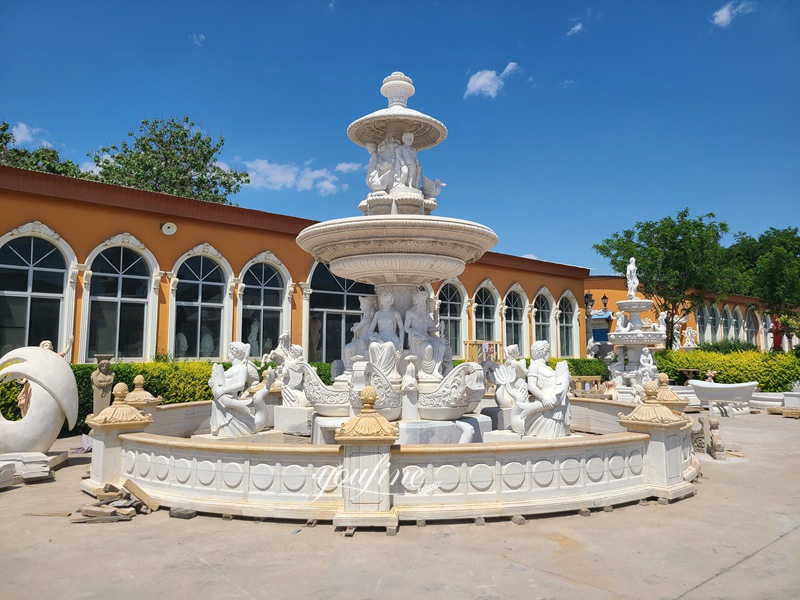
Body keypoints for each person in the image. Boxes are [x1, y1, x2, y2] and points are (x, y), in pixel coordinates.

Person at [208, 341, 259, 436]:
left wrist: (223, 390)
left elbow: (240, 385)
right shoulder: (231, 369)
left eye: (230, 352)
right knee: (214, 403)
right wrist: (212, 383)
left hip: (230, 400)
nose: (228, 355)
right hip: (221, 399)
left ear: (237, 354)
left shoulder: (242, 368)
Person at [404, 290, 447, 377]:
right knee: (428, 347)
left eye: (424, 301)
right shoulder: (410, 312)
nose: (423, 303)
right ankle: (426, 372)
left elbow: (429, 328)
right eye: (421, 301)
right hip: (417, 338)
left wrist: (437, 328)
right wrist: (415, 332)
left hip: (426, 337)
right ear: (416, 301)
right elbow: (406, 328)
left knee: (441, 347)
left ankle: (435, 370)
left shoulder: (426, 313)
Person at [343, 296, 377, 372]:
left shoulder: (367, 318)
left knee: (347, 348)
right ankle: (349, 368)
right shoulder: (365, 317)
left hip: (364, 341)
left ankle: (349, 369)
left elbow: (355, 329)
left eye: (362, 304)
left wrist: (356, 326)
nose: (360, 306)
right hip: (360, 340)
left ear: (368, 306)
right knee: (346, 348)